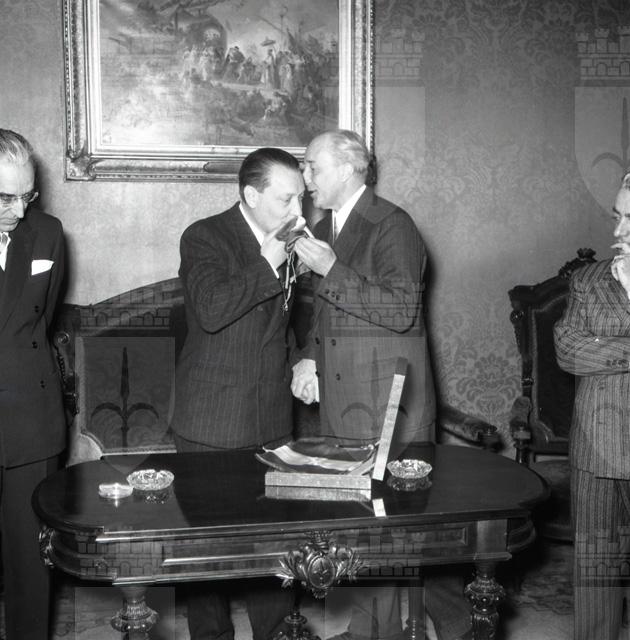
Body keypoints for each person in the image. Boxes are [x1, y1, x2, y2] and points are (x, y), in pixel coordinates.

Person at [291, 129, 471, 640]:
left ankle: (453, 625)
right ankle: (374, 628)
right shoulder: (328, 225)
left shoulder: (393, 224)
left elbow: (400, 309)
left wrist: (330, 268)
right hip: (345, 398)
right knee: (364, 527)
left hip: (388, 399)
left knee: (396, 529)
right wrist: (309, 359)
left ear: (350, 168)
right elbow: (325, 311)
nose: (306, 178)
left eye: (313, 166)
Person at [170, 147, 305, 640]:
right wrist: (267, 261)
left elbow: (281, 323)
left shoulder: (287, 237)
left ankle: (277, 633)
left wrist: (303, 358)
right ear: (250, 195)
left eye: (302, 198)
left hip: (272, 418)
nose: (299, 211)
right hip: (213, 419)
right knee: (209, 553)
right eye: (287, 199)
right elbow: (211, 310)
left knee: (275, 546)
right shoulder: (205, 236)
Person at [554, 171, 630, 640]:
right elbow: (569, 351)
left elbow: (592, 349)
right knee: (597, 579)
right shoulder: (588, 280)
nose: (618, 230)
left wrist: (609, 343)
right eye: (618, 216)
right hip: (597, 448)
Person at [0, 128, 66, 639]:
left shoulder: (47, 233)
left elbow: (42, 323)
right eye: (5, 198)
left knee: (30, 562)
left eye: (28, 196)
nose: (19, 211)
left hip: (29, 418)